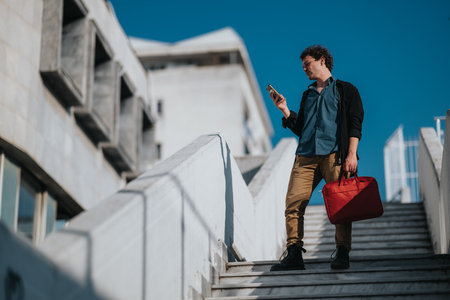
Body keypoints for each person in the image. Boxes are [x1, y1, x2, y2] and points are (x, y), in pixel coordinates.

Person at [269, 45, 364, 271]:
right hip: (305, 157)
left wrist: (352, 154)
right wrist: (284, 109)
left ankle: (342, 252)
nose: (304, 69)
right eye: (303, 66)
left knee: (341, 205)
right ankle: (294, 254)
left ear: (322, 61)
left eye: (307, 64)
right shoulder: (308, 94)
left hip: (335, 156)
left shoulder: (345, 89)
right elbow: (302, 127)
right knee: (293, 203)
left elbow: (355, 121)